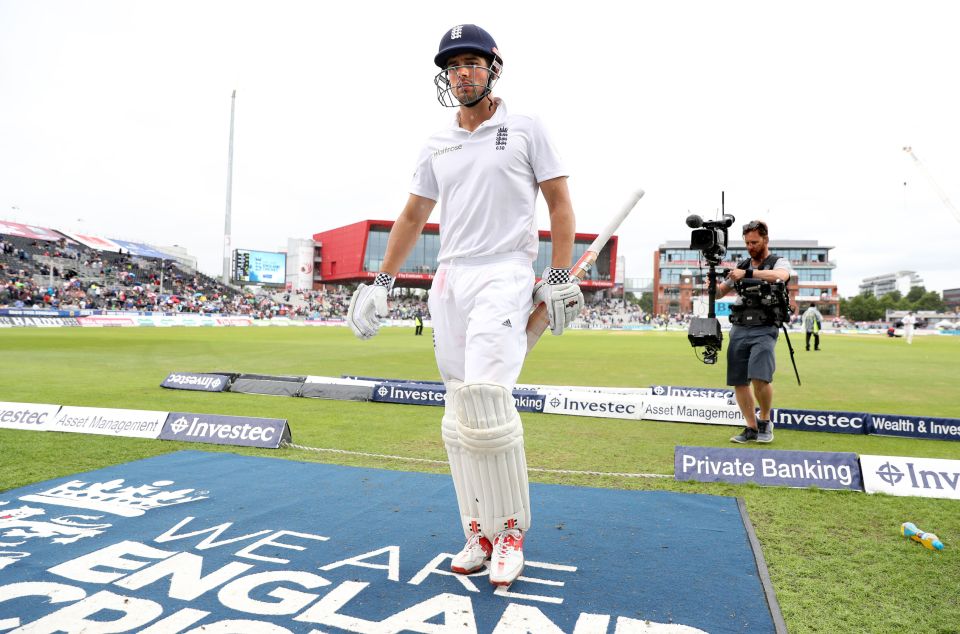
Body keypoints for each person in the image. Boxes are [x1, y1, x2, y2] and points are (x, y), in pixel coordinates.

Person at [345, 23, 582, 587]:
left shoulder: (525, 127)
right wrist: (382, 280)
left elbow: (561, 205)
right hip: (450, 279)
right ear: (445, 77)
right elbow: (411, 216)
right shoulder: (437, 142)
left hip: (504, 271)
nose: (463, 74)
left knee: (487, 400)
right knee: (458, 409)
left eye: (473, 63)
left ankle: (510, 534)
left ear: (493, 69)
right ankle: (476, 529)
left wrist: (555, 275)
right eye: (454, 67)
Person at [715, 220, 792, 443]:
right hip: (739, 326)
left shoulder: (778, 261)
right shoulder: (742, 264)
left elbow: (780, 277)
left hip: (765, 326)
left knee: (760, 377)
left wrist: (748, 272)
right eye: (747, 242)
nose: (750, 246)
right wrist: (711, 284)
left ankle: (765, 420)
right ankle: (750, 427)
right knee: (738, 380)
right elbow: (720, 293)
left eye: (755, 242)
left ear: (766, 239)